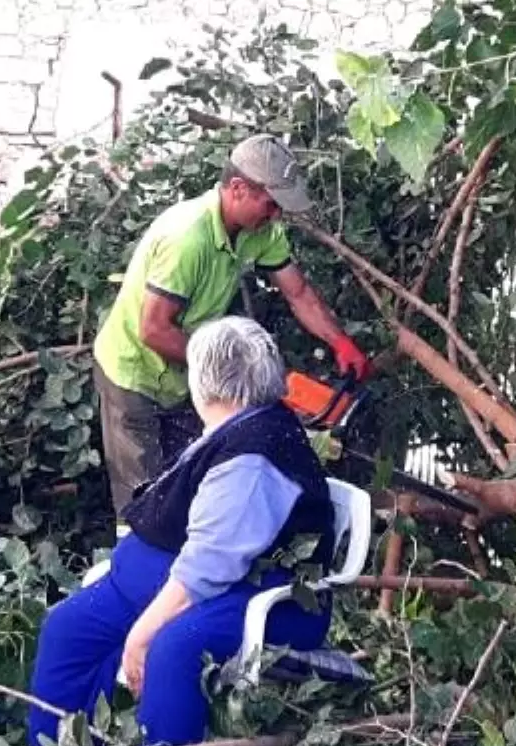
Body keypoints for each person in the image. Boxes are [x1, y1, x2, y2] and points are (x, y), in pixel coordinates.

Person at [28, 316, 338, 746]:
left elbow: (212, 563)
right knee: (65, 628)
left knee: (174, 647)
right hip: (164, 586)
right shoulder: (235, 426)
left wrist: (142, 633)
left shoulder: (253, 456)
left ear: (208, 382)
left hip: (261, 597)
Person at [92, 133, 372, 515]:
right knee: (143, 501)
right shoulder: (187, 239)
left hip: (184, 374)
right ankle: (136, 567)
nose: (275, 216)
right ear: (238, 188)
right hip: (133, 374)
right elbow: (155, 330)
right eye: (270, 204)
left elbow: (298, 293)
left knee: (190, 479)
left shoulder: (262, 232)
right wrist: (231, 373)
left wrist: (339, 341)